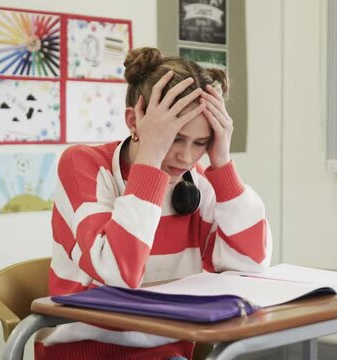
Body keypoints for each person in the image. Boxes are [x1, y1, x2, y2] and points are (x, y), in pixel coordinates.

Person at [35, 47, 272, 360]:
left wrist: (223, 165)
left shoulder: (196, 178)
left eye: (200, 143)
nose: (186, 157)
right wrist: (149, 159)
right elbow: (119, 273)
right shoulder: (84, 165)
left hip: (167, 351)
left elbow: (251, 264)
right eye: (174, 138)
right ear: (134, 120)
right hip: (84, 351)